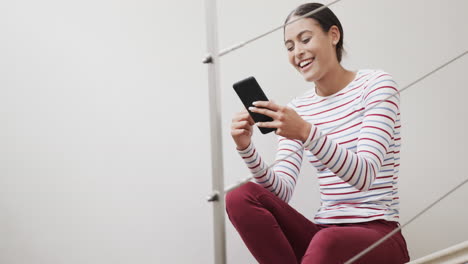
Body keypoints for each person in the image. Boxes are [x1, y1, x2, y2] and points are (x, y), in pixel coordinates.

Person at [226, 3, 410, 264]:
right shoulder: (298, 109)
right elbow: (281, 192)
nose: (297, 53)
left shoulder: (376, 85)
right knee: (240, 197)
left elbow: (365, 175)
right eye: (289, 47)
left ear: (333, 35)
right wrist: (246, 149)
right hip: (324, 237)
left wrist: (305, 132)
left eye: (305, 39)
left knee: (327, 240)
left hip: (379, 235)